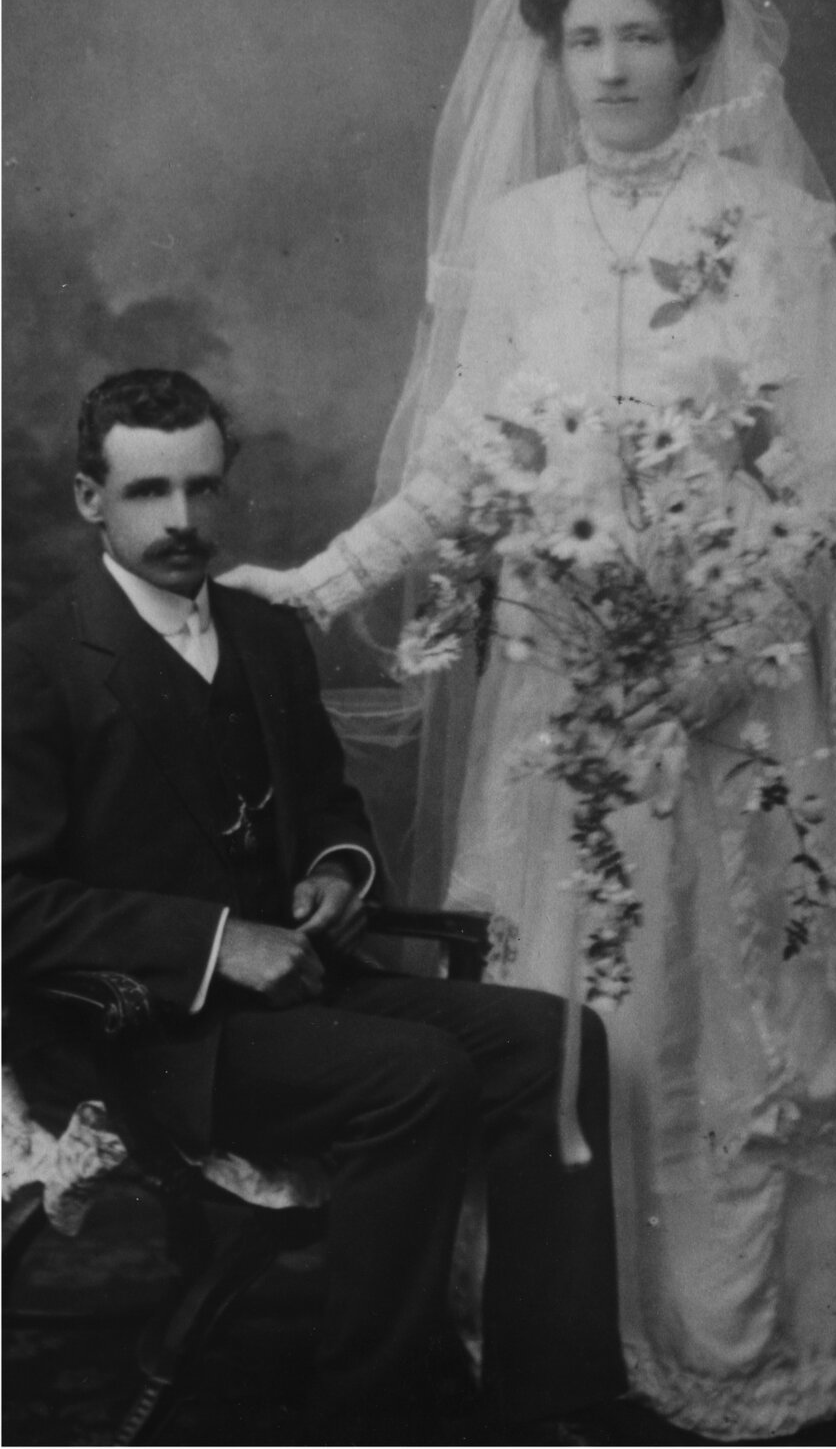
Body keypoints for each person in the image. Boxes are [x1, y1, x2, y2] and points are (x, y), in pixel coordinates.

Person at [221, 0, 836, 1440]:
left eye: (644, 34)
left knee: (729, 998)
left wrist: (721, 652)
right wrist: (319, 583)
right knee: (571, 997)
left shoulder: (775, 230)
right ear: (553, 60)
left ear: (697, 49)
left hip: (732, 706)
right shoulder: (519, 236)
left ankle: (743, 1336)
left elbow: (834, 477)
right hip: (564, 705)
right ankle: (567, 1332)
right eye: (587, 39)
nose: (615, 65)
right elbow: (461, 462)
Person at [2, 367, 629, 1443]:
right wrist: (216, 942)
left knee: (555, 1039)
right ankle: (370, 1414)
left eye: (203, 489)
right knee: (415, 1076)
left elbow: (331, 801)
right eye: (150, 492)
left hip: (303, 995)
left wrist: (340, 872)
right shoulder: (35, 660)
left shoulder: (262, 631)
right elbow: (11, 904)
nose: (183, 520)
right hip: (147, 1033)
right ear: (89, 499)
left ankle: (546, 1398)